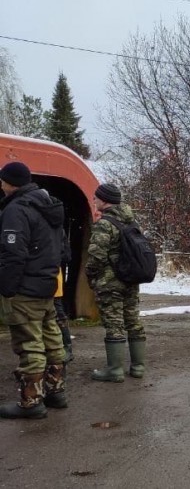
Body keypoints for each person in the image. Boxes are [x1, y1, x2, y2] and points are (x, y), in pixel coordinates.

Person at [0, 161, 66, 419]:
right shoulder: (48, 205)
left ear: (10, 182)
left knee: (29, 344)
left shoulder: (17, 209)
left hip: (25, 288)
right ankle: (56, 392)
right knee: (52, 339)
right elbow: (61, 249)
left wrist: (7, 287)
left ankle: (31, 402)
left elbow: (13, 253)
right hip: (47, 283)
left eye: (3, 181)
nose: (1, 185)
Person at [86, 182, 145, 383]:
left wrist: (90, 275)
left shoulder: (105, 224)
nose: (93, 201)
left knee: (114, 323)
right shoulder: (132, 222)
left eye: (96, 198)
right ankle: (138, 367)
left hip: (110, 282)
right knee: (133, 321)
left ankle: (115, 370)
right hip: (131, 279)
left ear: (104, 200)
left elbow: (96, 256)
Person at [55, 231, 74, 361]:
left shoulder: (56, 228)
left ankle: (66, 347)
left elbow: (66, 256)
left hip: (52, 277)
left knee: (58, 313)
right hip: (52, 275)